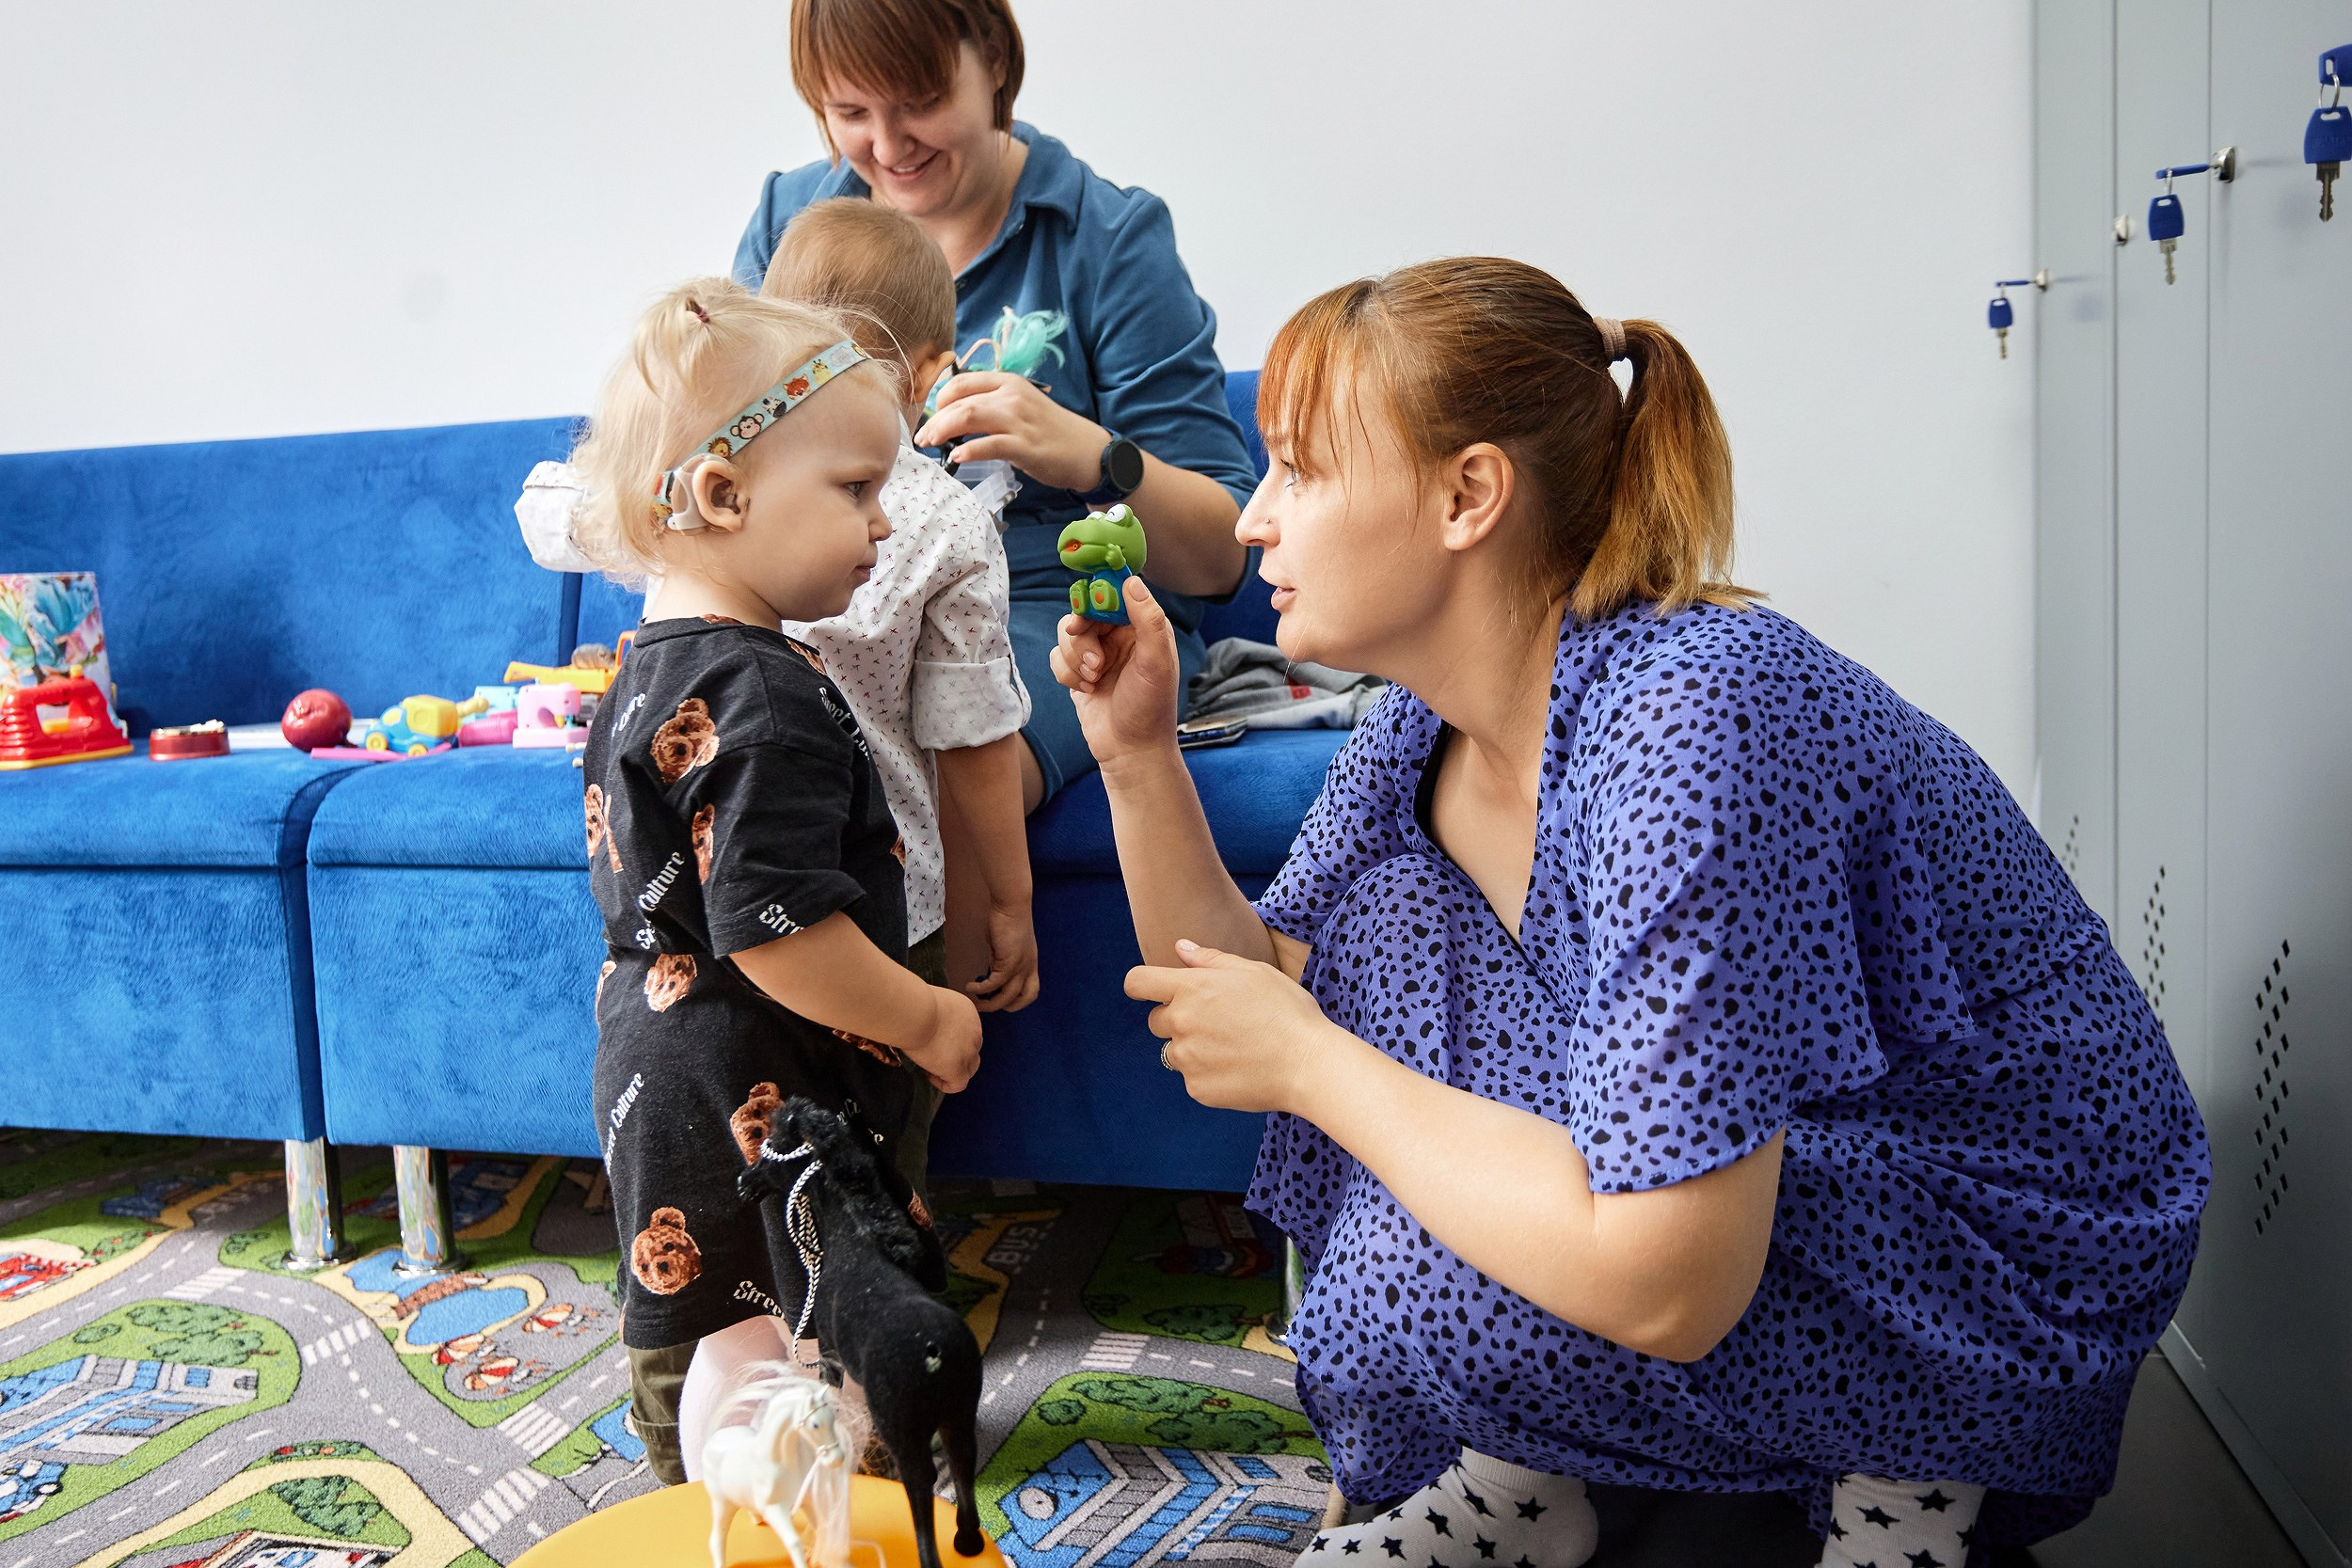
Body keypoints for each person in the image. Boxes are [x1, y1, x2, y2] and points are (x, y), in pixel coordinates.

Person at [1053, 258, 2209, 1566]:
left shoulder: (1694, 715)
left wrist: (1322, 1064)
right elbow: (1241, 982)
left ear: (1467, 494)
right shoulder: (1420, 732)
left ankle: (1911, 1483)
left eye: (1301, 469)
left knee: (1409, 1255)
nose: (1256, 521)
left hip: (2010, 1237)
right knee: (1385, 985)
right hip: (1808, 1173)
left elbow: (1671, 1277)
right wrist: (1138, 752)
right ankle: (1527, 1488)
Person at [569, 280, 982, 1486]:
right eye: (857, 490)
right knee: (796, 1329)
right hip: (763, 1062)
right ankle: (789, 1500)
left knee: (729, 1314)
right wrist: (927, 1016)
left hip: (655, 1048)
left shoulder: (647, 667)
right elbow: (778, 929)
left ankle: (711, 1483)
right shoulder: (764, 693)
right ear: (721, 494)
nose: (886, 523)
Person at [734, 0, 1261, 813]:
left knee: (911, 777)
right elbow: (725, 458)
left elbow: (1224, 558)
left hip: (1052, 612)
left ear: (995, 63)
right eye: (850, 113)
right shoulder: (791, 223)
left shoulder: (1107, 238)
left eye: (919, 102)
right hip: (832, 600)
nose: (887, 144)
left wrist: (1087, 452)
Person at [759, 198, 1040, 1180]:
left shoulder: (727, 495)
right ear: (933, 368)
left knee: (731, 1149)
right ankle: (875, 1318)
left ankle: (724, 1327)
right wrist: (1007, 899)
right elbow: (971, 736)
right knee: (876, 1156)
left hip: (729, 891)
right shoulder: (948, 524)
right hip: (888, 896)